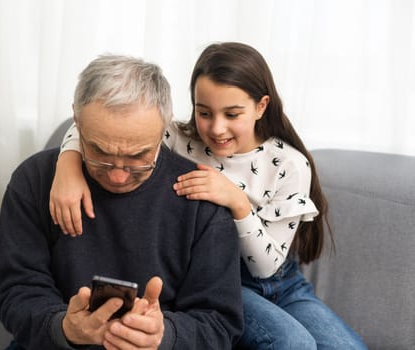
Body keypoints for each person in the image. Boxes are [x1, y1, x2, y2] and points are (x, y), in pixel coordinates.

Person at [49, 42, 367, 349]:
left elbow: (266, 268)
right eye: (204, 113)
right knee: (293, 343)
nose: (216, 129)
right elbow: (102, 125)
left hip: (282, 281)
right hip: (226, 281)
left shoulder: (289, 164)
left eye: (232, 114)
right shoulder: (179, 140)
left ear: (261, 106)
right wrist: (68, 165)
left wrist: (237, 202)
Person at [0, 54, 244, 350]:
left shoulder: (202, 198)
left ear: (165, 128)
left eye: (138, 157)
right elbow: (17, 291)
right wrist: (65, 328)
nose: (117, 177)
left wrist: (163, 336)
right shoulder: (33, 181)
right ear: (77, 119)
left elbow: (219, 323)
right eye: (99, 151)